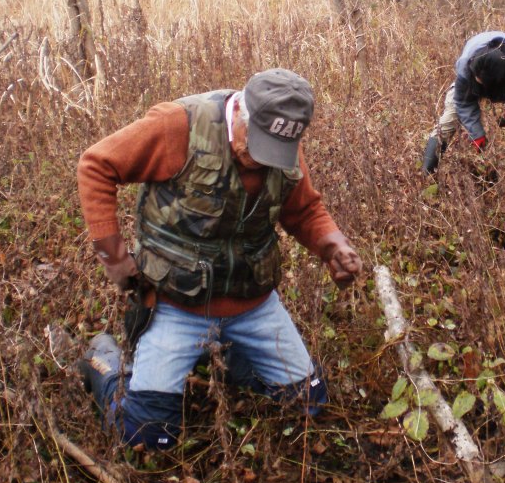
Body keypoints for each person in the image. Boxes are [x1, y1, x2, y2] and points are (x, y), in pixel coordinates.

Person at [77, 68, 363, 450]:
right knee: (149, 437)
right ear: (242, 109)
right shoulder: (178, 125)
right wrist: (115, 260)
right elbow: (96, 165)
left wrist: (334, 247)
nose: (264, 160)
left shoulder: (283, 139)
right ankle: (105, 364)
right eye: (259, 144)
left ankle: (224, 355)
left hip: (253, 305)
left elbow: (304, 210)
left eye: (276, 150)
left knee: (307, 405)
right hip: (177, 305)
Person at [422, 31, 505, 187]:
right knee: (448, 120)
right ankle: (426, 176)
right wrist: (477, 134)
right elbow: (463, 102)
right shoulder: (467, 64)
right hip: (470, 84)